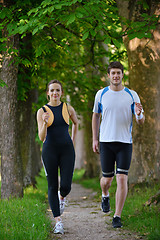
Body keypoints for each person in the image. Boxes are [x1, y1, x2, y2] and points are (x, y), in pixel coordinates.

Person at [92, 61, 145, 228]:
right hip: (106, 142)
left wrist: (139, 114)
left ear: (123, 75)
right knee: (107, 179)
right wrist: (95, 139)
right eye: (113, 73)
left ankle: (117, 216)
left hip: (124, 143)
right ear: (109, 75)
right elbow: (95, 117)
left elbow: (141, 121)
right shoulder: (101, 94)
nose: (116, 76)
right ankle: (105, 194)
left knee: (122, 178)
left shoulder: (132, 95)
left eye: (119, 73)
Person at [37, 79, 78, 234]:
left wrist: (73, 140)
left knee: (66, 186)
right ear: (48, 93)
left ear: (61, 92)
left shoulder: (68, 108)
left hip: (67, 150)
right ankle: (58, 222)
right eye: (52, 90)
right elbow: (41, 137)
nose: (55, 93)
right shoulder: (42, 111)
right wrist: (44, 123)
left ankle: (62, 197)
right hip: (49, 151)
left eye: (57, 90)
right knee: (52, 185)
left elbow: (76, 123)